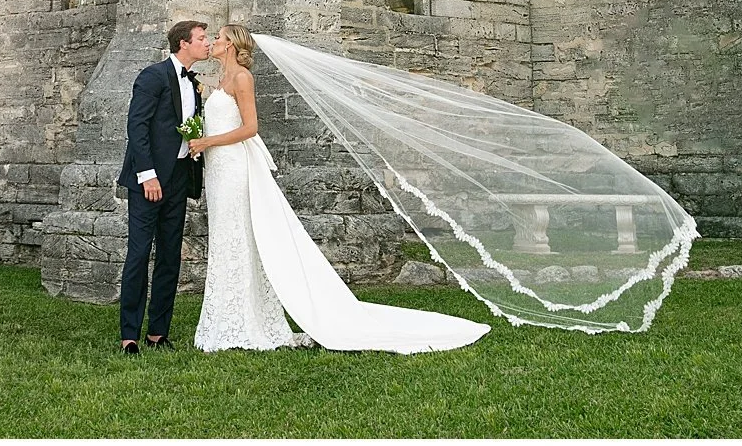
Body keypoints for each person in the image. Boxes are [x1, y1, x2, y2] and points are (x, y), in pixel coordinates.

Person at [187, 22, 487, 354]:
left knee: (239, 237)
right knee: (226, 237)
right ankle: (227, 317)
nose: (213, 41)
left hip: (233, 167)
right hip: (217, 169)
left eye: (218, 38)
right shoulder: (218, 79)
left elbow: (251, 127)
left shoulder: (242, 77)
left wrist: (208, 140)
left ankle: (245, 322)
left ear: (230, 45)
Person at [115, 18, 208, 354]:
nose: (207, 43)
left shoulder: (195, 83)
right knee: (139, 254)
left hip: (180, 177)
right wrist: (147, 175)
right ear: (183, 43)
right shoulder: (152, 76)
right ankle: (129, 336)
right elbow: (136, 126)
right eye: (202, 38)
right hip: (149, 180)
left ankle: (158, 332)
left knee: (170, 256)